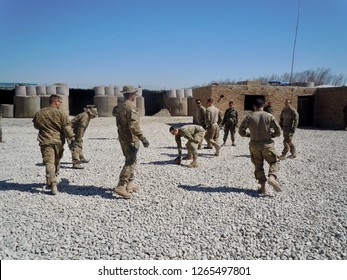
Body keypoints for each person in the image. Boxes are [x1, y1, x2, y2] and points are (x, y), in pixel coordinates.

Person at [33, 94, 76, 195]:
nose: (61, 104)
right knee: (56, 161)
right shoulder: (61, 114)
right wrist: (72, 139)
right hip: (58, 141)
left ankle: (51, 182)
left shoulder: (40, 113)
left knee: (49, 162)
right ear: (56, 102)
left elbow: (36, 125)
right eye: (60, 102)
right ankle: (53, 182)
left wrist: (46, 128)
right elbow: (67, 128)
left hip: (45, 141)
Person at [112, 85, 149, 199]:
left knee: (131, 159)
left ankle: (130, 183)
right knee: (130, 161)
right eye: (134, 94)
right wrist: (143, 138)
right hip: (131, 138)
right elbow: (134, 126)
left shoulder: (119, 106)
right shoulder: (131, 107)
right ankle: (121, 186)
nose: (136, 96)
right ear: (131, 95)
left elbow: (114, 113)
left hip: (122, 138)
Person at [239, 98, 282, 194]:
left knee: (258, 166)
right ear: (264, 105)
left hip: (254, 144)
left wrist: (249, 135)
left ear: (254, 106)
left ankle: (263, 187)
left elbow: (241, 132)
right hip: (267, 144)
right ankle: (272, 177)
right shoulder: (269, 116)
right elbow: (278, 131)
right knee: (275, 161)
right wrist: (272, 135)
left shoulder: (249, 117)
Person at [70, 105, 98, 169]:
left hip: (74, 132)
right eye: (93, 116)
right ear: (91, 113)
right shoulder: (85, 117)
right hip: (71, 132)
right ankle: (76, 163)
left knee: (79, 143)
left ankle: (81, 157)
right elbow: (81, 128)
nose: (94, 117)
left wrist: (79, 138)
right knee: (75, 145)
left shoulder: (86, 115)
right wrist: (78, 138)